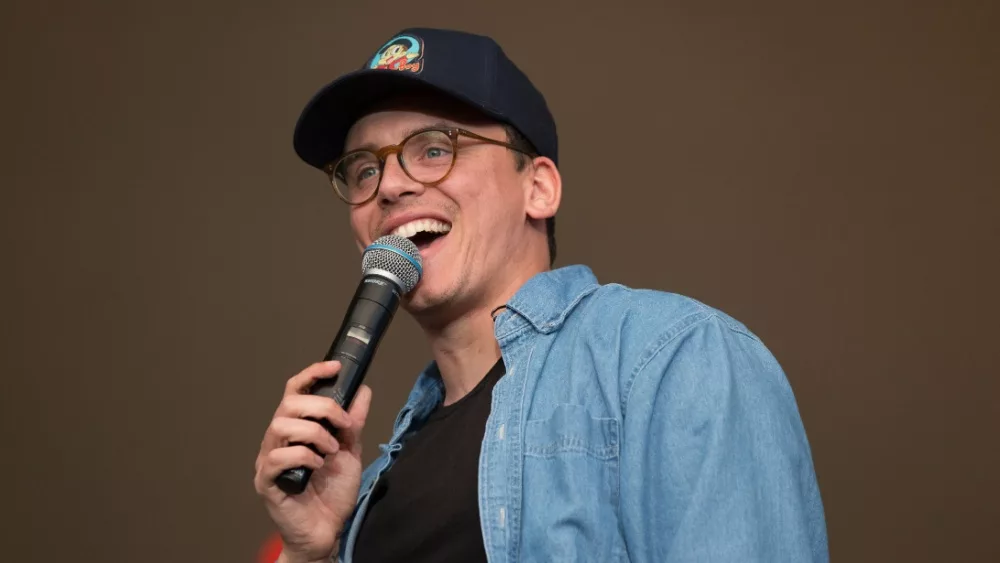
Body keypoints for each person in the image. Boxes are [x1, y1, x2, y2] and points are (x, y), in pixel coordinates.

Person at [253, 27, 829, 563]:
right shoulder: (371, 483)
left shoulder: (672, 359)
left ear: (539, 188)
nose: (391, 185)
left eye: (433, 149)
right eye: (361, 171)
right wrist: (309, 552)